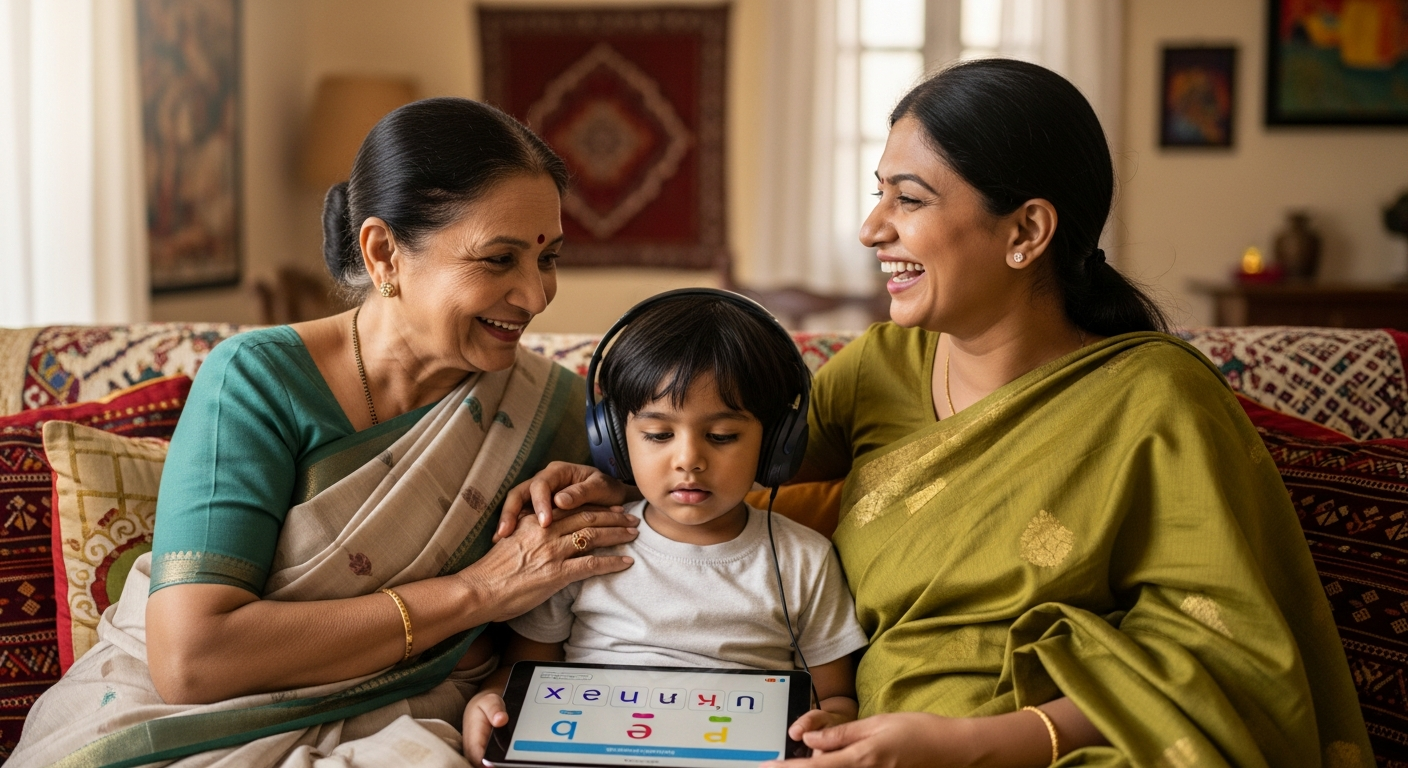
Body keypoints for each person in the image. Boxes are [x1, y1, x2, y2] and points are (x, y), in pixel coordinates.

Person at [497, 60, 1373, 767]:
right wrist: (598, 476)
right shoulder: (881, 368)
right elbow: (725, 453)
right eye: (878, 192)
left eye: (908, 199)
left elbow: (1222, 659)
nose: (872, 228)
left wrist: (965, 745)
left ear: (1025, 232)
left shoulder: (1157, 401)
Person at [11, 98, 640, 767]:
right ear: (383, 252)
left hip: (413, 722)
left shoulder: (552, 408)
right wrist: (477, 592)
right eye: (498, 259)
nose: (536, 296)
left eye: (548, 258)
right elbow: (192, 660)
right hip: (182, 723)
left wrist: (612, 492)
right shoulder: (257, 381)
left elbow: (592, 596)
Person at [462, 291, 869, 765]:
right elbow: (522, 672)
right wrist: (489, 701)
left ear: (777, 443)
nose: (688, 460)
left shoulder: (804, 559)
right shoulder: (583, 545)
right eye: (658, 435)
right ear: (614, 439)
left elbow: (835, 698)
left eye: (722, 436)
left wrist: (828, 725)